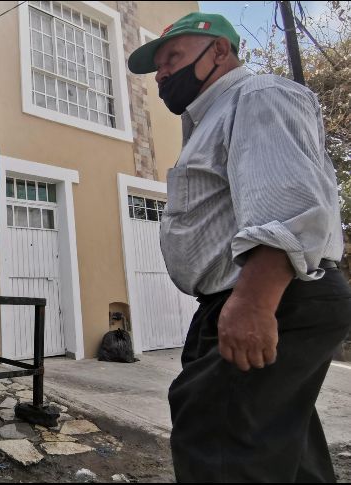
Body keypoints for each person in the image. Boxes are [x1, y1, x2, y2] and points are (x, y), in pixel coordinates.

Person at [128, 12, 351, 483]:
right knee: (279, 449)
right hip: (249, 298)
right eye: (158, 65)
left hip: (271, 293)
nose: (163, 72)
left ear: (220, 53)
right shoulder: (208, 120)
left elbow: (288, 203)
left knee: (220, 447)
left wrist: (253, 302)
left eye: (174, 57)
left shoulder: (256, 95)